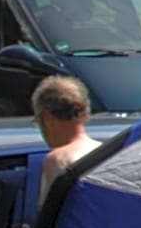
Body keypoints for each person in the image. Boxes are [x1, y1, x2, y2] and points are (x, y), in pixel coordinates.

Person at [34, 75, 96, 205]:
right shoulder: (107, 152)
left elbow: (48, 218)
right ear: (86, 112)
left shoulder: (58, 160)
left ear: (47, 118)